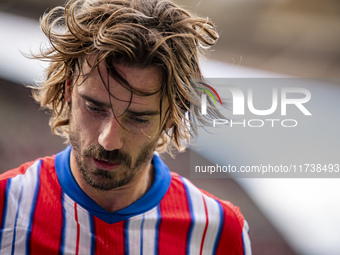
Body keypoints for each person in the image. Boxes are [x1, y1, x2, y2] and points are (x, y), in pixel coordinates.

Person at [0, 0, 251, 254]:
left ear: (171, 117)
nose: (108, 141)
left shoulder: (220, 233)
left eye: (138, 119)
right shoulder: (4, 207)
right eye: (95, 108)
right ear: (68, 88)